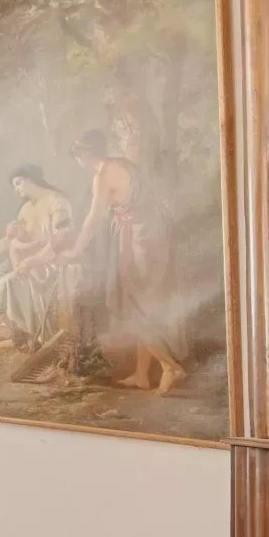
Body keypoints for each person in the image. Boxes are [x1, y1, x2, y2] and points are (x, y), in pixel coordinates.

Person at [60, 128, 186, 394]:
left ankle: (170, 366)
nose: (78, 162)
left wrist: (76, 250)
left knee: (132, 307)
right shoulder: (123, 163)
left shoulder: (102, 175)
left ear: (85, 155)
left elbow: (94, 218)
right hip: (152, 234)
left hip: (140, 238)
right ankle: (142, 375)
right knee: (144, 304)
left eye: (78, 156)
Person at [0, 165, 73, 351]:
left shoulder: (57, 202)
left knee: (7, 281)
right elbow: (12, 240)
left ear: (31, 179)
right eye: (14, 185)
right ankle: (8, 329)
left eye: (18, 183)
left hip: (48, 263)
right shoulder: (25, 208)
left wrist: (32, 261)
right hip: (25, 258)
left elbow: (60, 240)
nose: (16, 189)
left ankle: (24, 332)